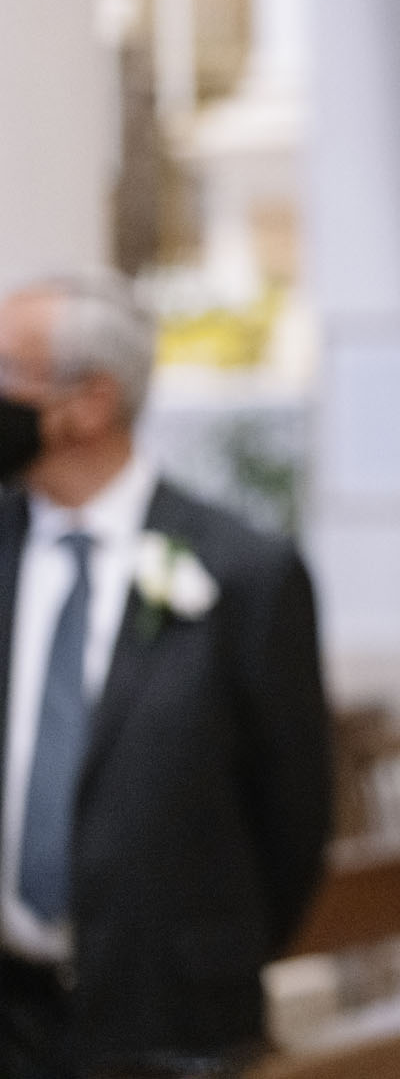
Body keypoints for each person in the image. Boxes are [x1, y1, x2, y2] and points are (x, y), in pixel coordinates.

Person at [0, 272, 331, 1077]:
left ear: (89, 402)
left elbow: (294, 819)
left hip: (174, 1024)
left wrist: (205, 953)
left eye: (8, 374)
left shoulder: (246, 575)